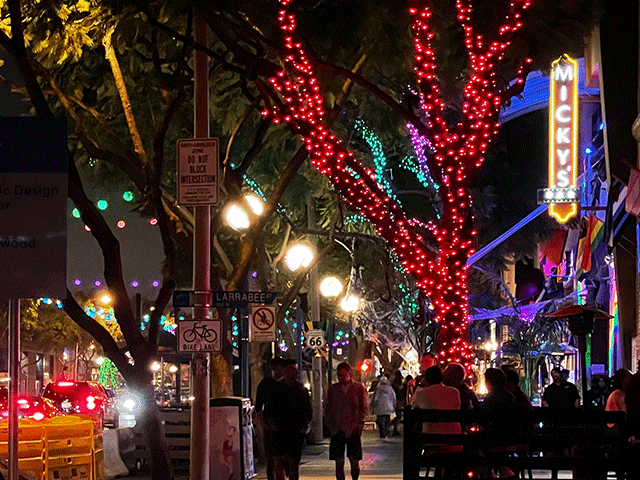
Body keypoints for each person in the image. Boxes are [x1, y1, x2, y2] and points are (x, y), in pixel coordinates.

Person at [263, 359, 312, 480]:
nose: (296, 373)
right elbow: (269, 410)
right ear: (285, 370)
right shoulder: (276, 389)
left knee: (293, 464)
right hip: (280, 431)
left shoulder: (300, 389)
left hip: (295, 431)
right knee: (279, 462)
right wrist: (271, 425)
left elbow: (307, 410)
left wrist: (305, 426)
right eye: (293, 369)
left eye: (296, 370)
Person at [325, 362, 369, 480]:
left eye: (343, 375)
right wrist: (331, 426)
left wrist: (359, 423)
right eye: (339, 375)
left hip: (353, 428)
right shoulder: (333, 389)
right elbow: (328, 408)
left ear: (349, 373)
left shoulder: (358, 388)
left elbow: (364, 407)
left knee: (354, 460)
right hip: (337, 429)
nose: (340, 378)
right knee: (339, 462)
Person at [255, 357, 285, 480]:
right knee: (272, 459)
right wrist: (264, 423)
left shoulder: (287, 384)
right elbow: (258, 406)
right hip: (271, 426)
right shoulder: (266, 384)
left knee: (282, 459)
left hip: (284, 426)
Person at [411, 366, 461, 434]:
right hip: (454, 436)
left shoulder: (421, 393)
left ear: (426, 379)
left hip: (430, 436)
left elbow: (411, 406)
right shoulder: (455, 392)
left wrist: (419, 386)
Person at [389, 371, 404, 436]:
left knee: (397, 415)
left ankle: (392, 427)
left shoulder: (393, 384)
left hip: (395, 401)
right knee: (398, 415)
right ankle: (393, 427)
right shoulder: (401, 384)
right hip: (399, 401)